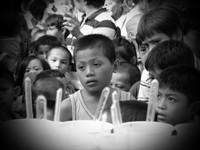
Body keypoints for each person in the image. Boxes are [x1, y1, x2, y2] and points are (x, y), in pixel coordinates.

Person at [59, 34, 136, 122]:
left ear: (114, 66)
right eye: (81, 67)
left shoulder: (129, 101)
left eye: (96, 65)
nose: (89, 73)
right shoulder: (69, 107)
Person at [129, 6, 183, 102]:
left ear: (177, 36)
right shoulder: (148, 75)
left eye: (156, 42)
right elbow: (146, 113)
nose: (151, 51)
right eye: (145, 46)